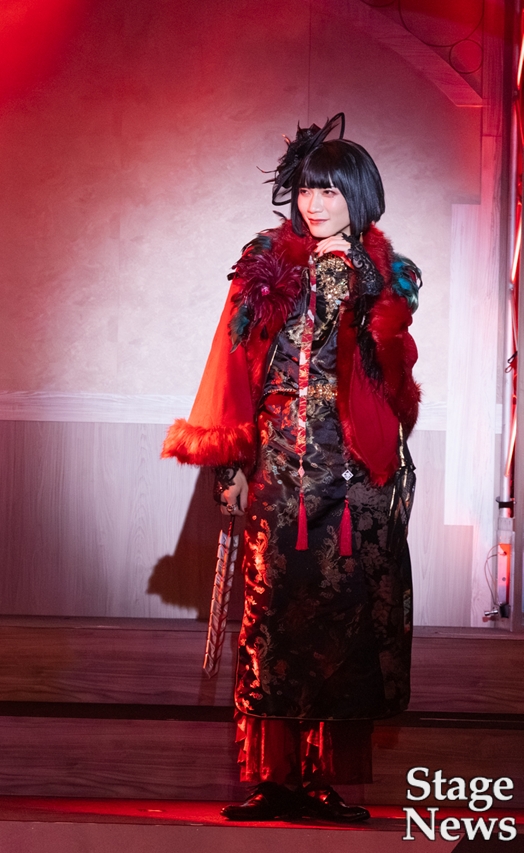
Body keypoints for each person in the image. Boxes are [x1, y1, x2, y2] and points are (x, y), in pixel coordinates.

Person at [161, 114, 421, 822]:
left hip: (357, 478)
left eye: (330, 191)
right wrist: (231, 463)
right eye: (307, 188)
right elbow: (231, 363)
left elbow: (397, 386)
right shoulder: (266, 265)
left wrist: (375, 310)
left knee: (344, 622)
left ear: (358, 196)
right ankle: (272, 779)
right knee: (273, 617)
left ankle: (322, 781)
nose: (314, 203)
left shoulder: (386, 275)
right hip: (280, 465)